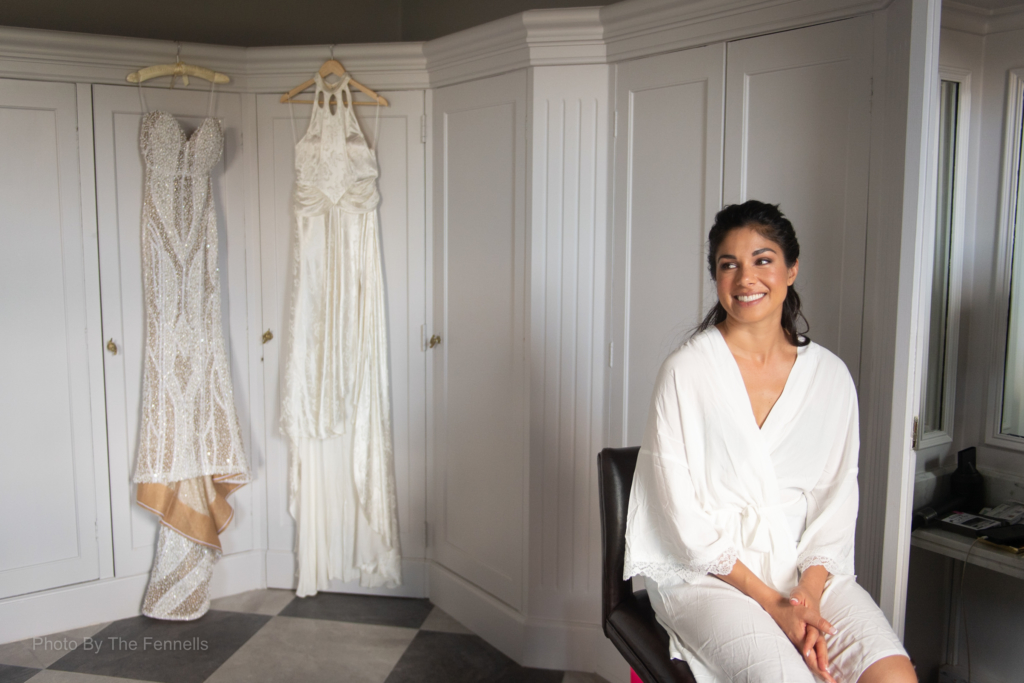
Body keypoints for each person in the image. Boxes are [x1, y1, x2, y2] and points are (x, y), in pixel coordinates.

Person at [623, 201, 917, 683]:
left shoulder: (831, 377)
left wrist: (807, 595)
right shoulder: (686, 372)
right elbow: (679, 517)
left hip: (803, 567)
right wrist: (775, 606)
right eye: (728, 264)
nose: (745, 279)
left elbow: (837, 498)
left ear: (791, 269)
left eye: (762, 260)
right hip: (708, 576)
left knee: (893, 678)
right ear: (716, 277)